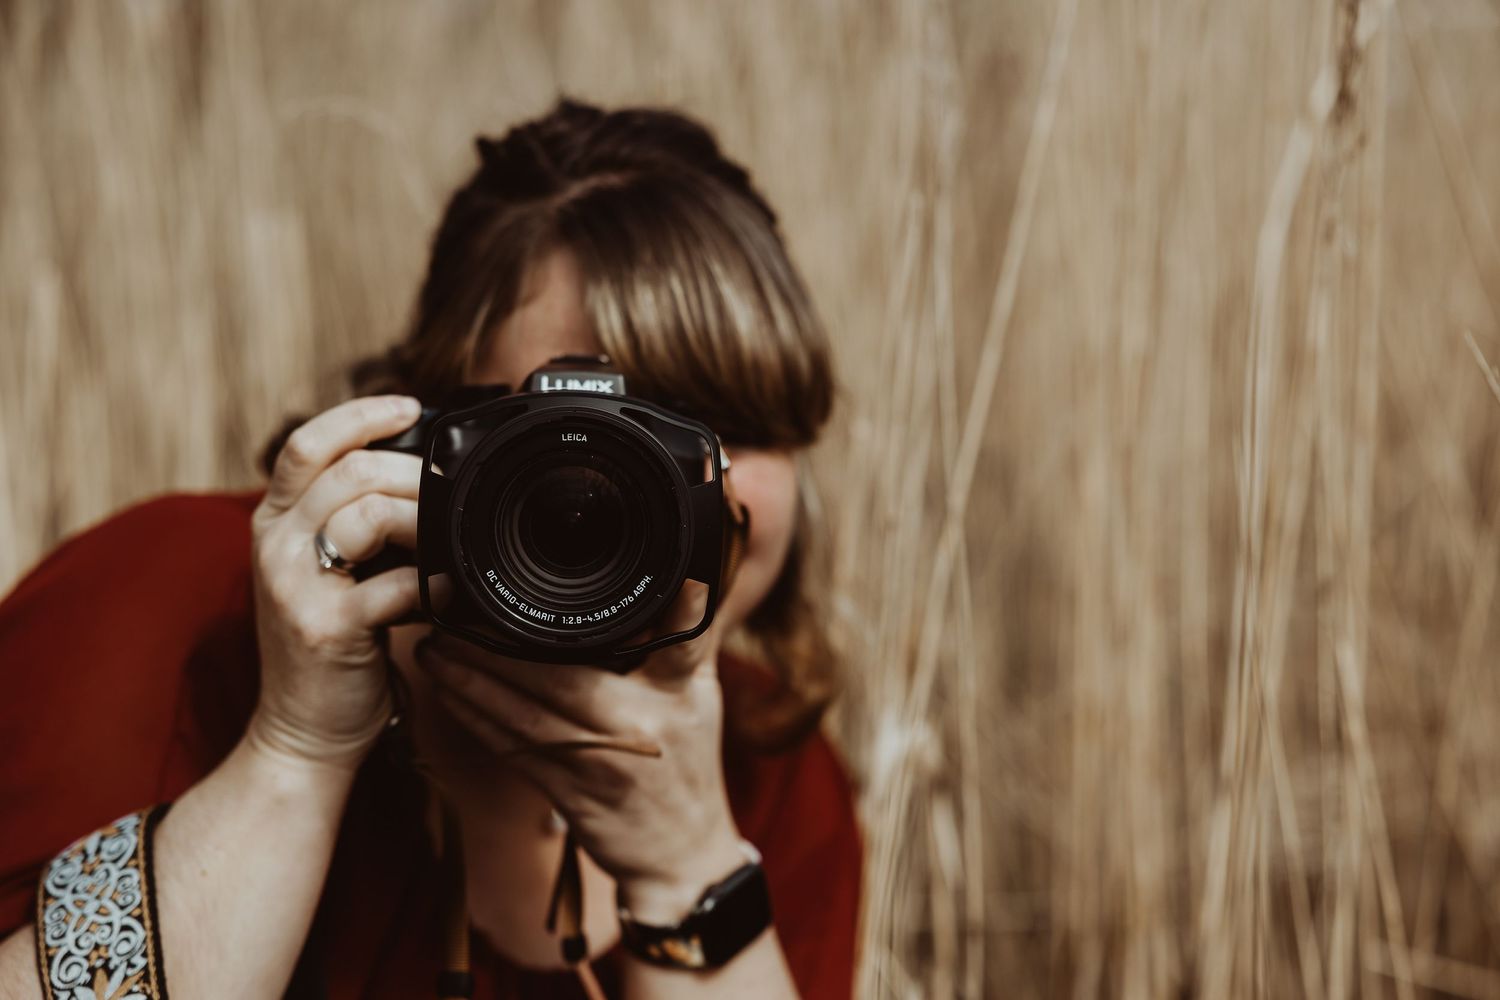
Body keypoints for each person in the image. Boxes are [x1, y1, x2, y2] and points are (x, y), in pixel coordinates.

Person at [0, 99, 861, 999]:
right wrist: (295, 751)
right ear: (429, 427)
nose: (631, 488)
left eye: (712, 428)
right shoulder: (167, 611)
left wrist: (687, 865)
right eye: (572, 431)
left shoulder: (770, 768)